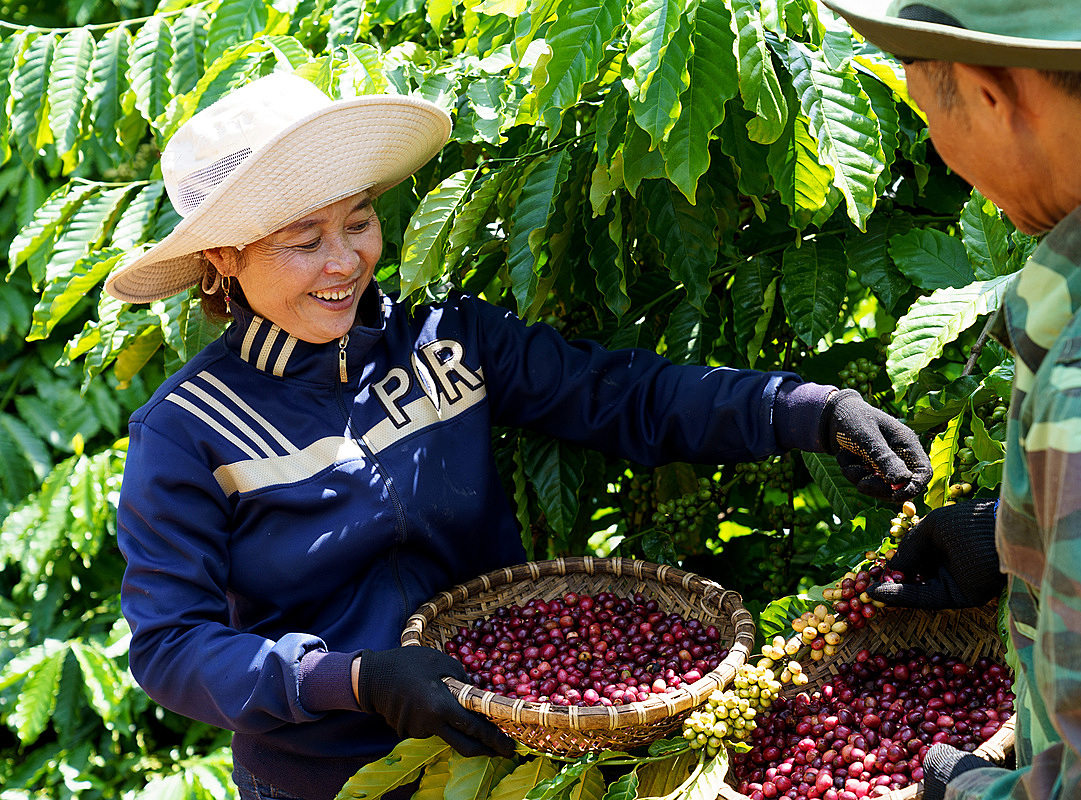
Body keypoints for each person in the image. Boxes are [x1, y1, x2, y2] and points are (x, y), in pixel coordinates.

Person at [106, 72, 932, 800]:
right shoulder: (188, 431)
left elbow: (619, 393)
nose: (345, 262)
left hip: (511, 749)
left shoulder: (444, 338)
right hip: (326, 779)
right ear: (222, 259)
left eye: (358, 222)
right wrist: (351, 679)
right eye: (302, 241)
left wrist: (802, 408)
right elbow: (172, 647)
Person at [819, 0, 1081, 798]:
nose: (934, 146)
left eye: (925, 111)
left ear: (991, 94)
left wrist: (962, 791)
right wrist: (1027, 535)